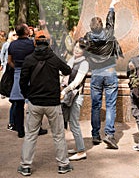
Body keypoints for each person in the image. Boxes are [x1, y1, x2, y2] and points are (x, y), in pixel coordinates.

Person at [17, 30, 73, 176]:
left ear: (34, 43)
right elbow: (67, 70)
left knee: (30, 135)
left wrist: (27, 95)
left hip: (35, 102)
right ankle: (63, 165)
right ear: (48, 44)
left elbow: (22, 81)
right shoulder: (54, 58)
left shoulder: (29, 59)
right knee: (59, 135)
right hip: (53, 103)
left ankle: (25, 166)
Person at [83, 0, 123, 149]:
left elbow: (81, 50)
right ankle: (109, 134)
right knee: (111, 105)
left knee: (95, 105)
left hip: (96, 74)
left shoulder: (87, 37)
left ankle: (95, 135)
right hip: (110, 71)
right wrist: (112, 5)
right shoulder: (108, 34)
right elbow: (110, 21)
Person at [60, 40, 89, 161]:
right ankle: (79, 147)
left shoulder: (84, 63)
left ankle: (81, 151)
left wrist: (64, 91)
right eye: (76, 46)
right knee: (71, 123)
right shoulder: (72, 59)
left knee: (74, 123)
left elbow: (77, 82)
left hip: (76, 96)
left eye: (80, 48)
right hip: (68, 94)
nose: (77, 49)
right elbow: (63, 72)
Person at [8, 24, 35, 138]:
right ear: (25, 31)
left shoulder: (12, 44)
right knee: (33, 103)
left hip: (18, 73)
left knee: (18, 104)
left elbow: (9, 61)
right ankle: (35, 128)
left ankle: (20, 129)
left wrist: (17, 68)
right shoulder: (31, 43)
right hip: (31, 73)